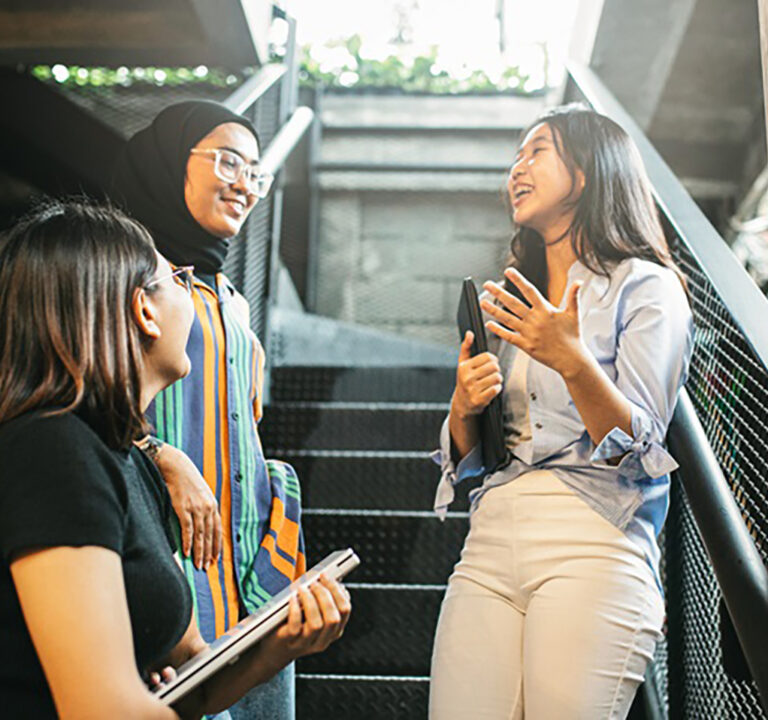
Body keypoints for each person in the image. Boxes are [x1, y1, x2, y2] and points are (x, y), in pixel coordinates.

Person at [0, 200, 350, 719]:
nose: (190, 293)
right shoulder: (53, 452)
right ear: (144, 309)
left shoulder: (127, 461)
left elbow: (190, 682)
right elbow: (104, 708)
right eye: (177, 278)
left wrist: (281, 646)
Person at [429, 105, 694, 719]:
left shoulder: (645, 287)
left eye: (536, 152)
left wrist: (573, 360)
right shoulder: (513, 297)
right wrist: (463, 405)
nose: (516, 170)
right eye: (516, 157)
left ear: (586, 171)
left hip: (595, 539)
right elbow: (473, 457)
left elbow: (642, 446)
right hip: (490, 538)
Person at [111, 100, 304, 720]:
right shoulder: (124, 278)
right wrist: (160, 455)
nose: (244, 183)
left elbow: (242, 430)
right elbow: (72, 401)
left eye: (255, 171)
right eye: (227, 161)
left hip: (250, 573)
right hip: (165, 565)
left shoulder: (234, 302)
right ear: (172, 162)